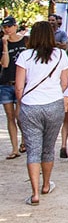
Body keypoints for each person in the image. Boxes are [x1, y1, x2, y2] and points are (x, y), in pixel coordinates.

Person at [15, 21, 68, 206]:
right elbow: (65, 83)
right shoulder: (61, 55)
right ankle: (46, 184)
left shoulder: (24, 56)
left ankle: (34, 193)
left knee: (33, 149)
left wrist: (23, 103)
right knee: (48, 148)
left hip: (31, 105)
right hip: (54, 104)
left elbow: (19, 87)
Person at [1, 15, 28, 159]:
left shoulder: (25, 41)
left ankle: (24, 141)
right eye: (4, 27)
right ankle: (14, 148)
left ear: (15, 26)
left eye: (9, 26)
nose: (7, 29)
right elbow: (4, 64)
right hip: (6, 82)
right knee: (10, 116)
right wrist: (5, 45)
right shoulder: (2, 42)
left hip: (22, 83)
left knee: (20, 115)